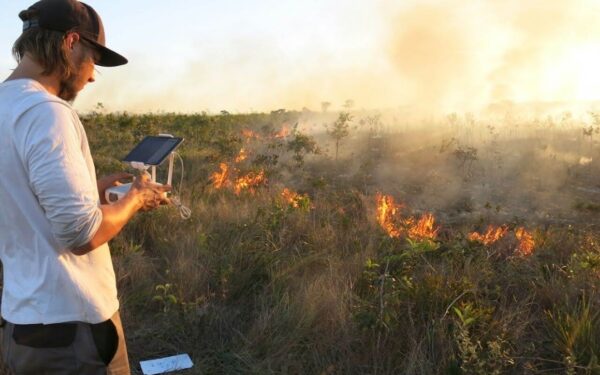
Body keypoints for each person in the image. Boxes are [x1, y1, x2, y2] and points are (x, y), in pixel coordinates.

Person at [0, 0, 171, 373]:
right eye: (92, 58)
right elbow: (81, 233)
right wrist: (137, 197)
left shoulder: (4, 106)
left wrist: (89, 190)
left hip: (23, 324)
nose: (92, 76)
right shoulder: (46, 112)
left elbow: (18, 200)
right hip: (73, 331)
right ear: (71, 43)